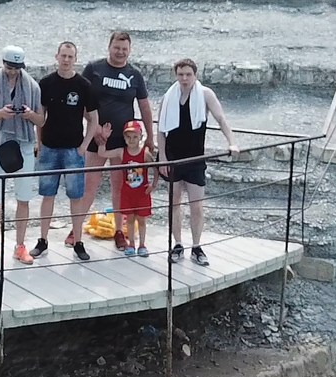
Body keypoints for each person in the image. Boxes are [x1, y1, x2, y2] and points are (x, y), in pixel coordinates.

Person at [157, 58, 239, 267]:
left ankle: (196, 246)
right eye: (180, 74)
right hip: (174, 158)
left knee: (197, 206)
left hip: (195, 159)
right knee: (174, 204)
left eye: (188, 74)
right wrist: (163, 158)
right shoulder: (169, 96)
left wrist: (232, 143)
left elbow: (221, 119)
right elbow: (161, 132)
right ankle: (177, 244)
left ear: (195, 75)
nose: (184, 78)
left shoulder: (205, 95)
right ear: (176, 75)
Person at [82, 31, 154, 251]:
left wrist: (150, 137)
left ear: (129, 50)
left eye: (124, 49)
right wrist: (93, 130)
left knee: (119, 187)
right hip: (97, 138)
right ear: (109, 47)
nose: (120, 52)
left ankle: (119, 231)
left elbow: (144, 106)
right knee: (90, 185)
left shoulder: (135, 75)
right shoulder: (93, 69)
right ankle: (75, 229)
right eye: (117, 47)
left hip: (124, 142)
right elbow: (83, 103)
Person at [31, 41, 99, 261]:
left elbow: (93, 118)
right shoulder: (46, 83)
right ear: (57, 57)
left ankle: (78, 242)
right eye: (64, 56)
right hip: (50, 148)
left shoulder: (84, 85)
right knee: (47, 195)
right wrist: (39, 144)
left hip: (73, 150)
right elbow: (40, 117)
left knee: (76, 197)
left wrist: (84, 145)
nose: (67, 60)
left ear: (75, 59)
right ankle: (42, 240)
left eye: (71, 56)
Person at [0, 45, 45, 265]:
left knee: (23, 198)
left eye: (17, 67)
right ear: (3, 63)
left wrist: (29, 115)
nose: (13, 71)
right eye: (10, 66)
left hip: (24, 144)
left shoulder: (33, 87)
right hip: (0, 143)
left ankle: (20, 245)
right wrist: (0, 114)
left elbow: (41, 120)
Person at [118, 121, 153, 257]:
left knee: (142, 220)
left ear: (140, 137)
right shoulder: (122, 152)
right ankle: (131, 243)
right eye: (128, 137)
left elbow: (157, 167)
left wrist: (153, 184)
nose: (131, 140)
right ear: (124, 138)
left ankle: (142, 244)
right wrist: (103, 139)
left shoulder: (145, 153)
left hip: (142, 192)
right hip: (127, 193)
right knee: (130, 219)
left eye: (135, 137)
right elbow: (103, 153)